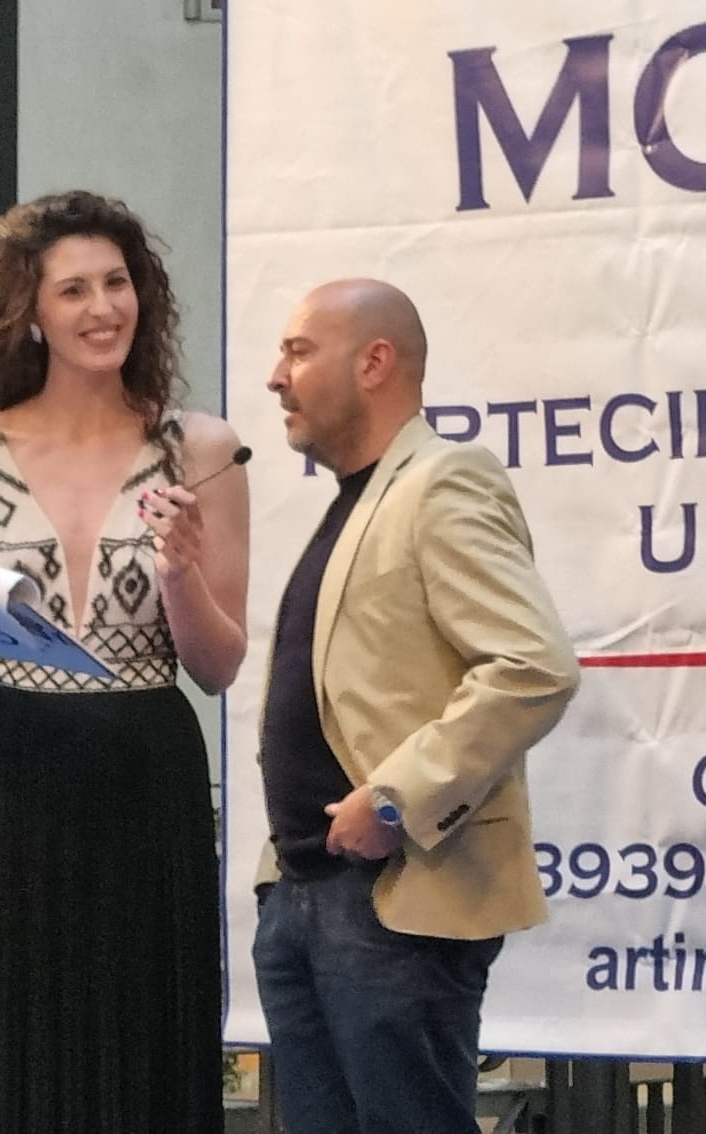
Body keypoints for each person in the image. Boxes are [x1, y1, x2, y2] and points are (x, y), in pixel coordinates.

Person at [0, 190, 249, 1133]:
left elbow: (219, 666)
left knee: (145, 1045)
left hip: (148, 773)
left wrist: (180, 575)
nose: (104, 308)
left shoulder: (202, 448)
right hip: (13, 775)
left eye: (117, 282)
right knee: (16, 1049)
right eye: (74, 290)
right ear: (29, 311)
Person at [251, 279, 579, 1133]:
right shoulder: (358, 501)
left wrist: (398, 801)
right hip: (305, 895)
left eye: (298, 352)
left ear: (374, 362)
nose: (276, 377)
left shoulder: (443, 482)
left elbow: (532, 665)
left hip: (394, 900)